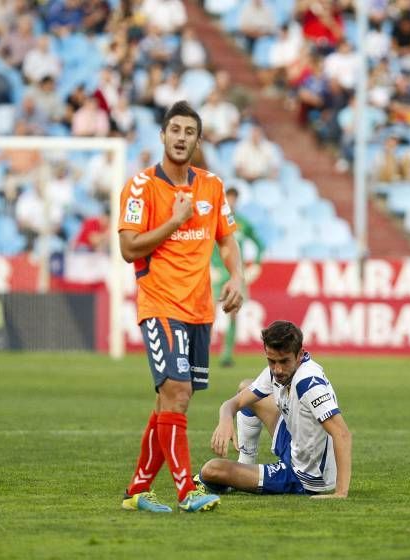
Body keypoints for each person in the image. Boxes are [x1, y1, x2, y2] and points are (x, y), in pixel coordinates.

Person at [117, 100, 245, 513]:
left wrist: (238, 277)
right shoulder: (140, 186)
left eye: (189, 132)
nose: (181, 138)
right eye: (175, 130)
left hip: (199, 310)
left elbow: (227, 239)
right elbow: (127, 247)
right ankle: (187, 489)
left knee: (168, 403)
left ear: (197, 139)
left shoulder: (212, 185)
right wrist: (174, 221)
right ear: (162, 135)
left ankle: (137, 490)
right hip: (160, 303)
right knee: (178, 391)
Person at [198, 320, 352, 498]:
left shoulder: (308, 383)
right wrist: (225, 419)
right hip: (294, 442)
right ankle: (245, 462)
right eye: (272, 361)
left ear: (300, 354)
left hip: (304, 475)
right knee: (245, 386)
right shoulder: (277, 372)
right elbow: (234, 403)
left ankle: (238, 478)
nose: (277, 369)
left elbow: (342, 434)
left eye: (284, 361)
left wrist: (341, 492)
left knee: (212, 470)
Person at [211, 186, 265, 367]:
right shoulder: (214, 220)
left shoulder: (242, 223)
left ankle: (226, 354)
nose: (231, 201)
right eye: (229, 198)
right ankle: (200, 350)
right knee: (207, 312)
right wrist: (210, 265)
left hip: (235, 274)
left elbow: (260, 244)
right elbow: (205, 242)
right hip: (217, 274)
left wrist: (256, 264)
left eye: (234, 198)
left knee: (233, 313)